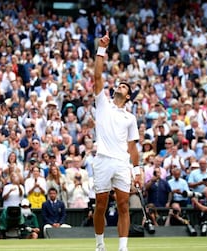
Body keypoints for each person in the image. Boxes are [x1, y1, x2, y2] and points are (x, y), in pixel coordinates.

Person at [93, 31, 141, 251]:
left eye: (124, 86)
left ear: (128, 96)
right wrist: (102, 49)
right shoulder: (102, 103)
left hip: (122, 163)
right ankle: (100, 245)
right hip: (102, 160)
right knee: (100, 206)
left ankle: (123, 248)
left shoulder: (130, 118)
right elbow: (97, 76)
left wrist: (137, 170)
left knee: (123, 205)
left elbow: (132, 147)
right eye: (119, 85)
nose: (120, 87)